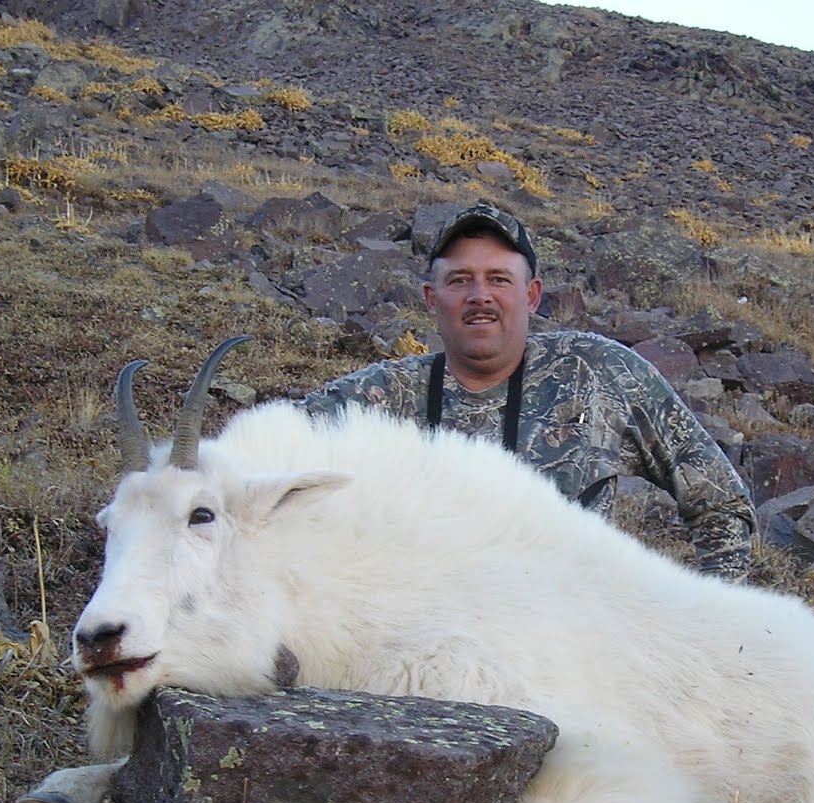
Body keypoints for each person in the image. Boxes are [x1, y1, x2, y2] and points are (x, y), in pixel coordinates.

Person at [296, 202, 756, 579]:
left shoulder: (598, 372)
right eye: (459, 280)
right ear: (430, 298)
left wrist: (706, 628)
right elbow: (267, 449)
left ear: (532, 295)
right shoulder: (383, 396)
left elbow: (721, 502)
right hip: (421, 651)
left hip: (570, 650)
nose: (480, 295)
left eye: (499, 279)